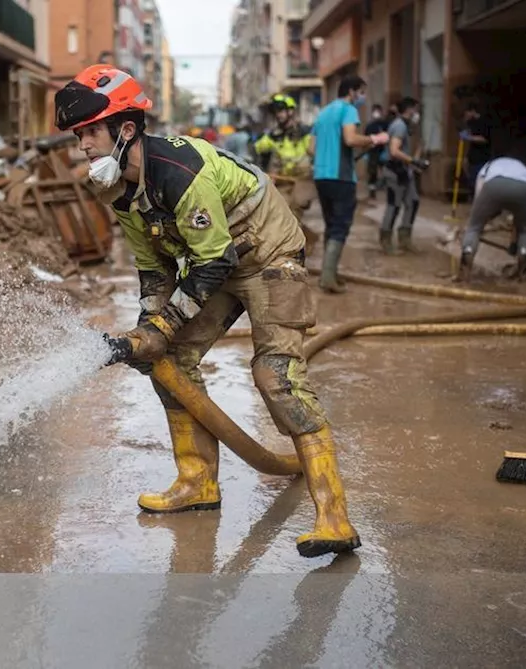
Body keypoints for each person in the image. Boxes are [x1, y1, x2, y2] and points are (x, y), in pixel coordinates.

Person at [55, 64, 361, 558]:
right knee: (167, 362)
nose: (83, 144)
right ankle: (197, 482)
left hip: (267, 253)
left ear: (125, 129)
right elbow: (153, 269)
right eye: (79, 134)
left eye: (90, 131)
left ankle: (334, 516)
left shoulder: (179, 172)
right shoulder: (116, 187)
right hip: (215, 258)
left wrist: (164, 323)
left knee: (275, 374)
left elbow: (215, 260)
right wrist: (149, 328)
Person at [310, 75, 390, 292]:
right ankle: (327, 277)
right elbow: (350, 139)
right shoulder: (348, 110)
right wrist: (374, 139)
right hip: (341, 177)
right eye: (361, 92)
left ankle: (330, 274)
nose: (362, 97)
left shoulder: (324, 113)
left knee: (331, 224)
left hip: (321, 176)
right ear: (352, 92)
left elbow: (311, 148)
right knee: (340, 226)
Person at [457, 157, 526, 282]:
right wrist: (514, 243)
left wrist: (482, 221)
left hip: (494, 184)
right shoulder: (524, 169)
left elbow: (479, 202)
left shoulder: (486, 168)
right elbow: (519, 218)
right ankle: (524, 266)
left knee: (474, 227)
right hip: (524, 186)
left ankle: (465, 267)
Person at [253, 93, 317, 246]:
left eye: (281, 110)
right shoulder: (274, 136)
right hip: (284, 180)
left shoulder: (305, 132)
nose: (278, 115)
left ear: (290, 111)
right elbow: (258, 147)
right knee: (277, 213)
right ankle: (294, 246)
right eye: (276, 112)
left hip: (303, 180)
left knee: (294, 212)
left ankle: (297, 248)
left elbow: (314, 150)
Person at [379, 97, 430, 255]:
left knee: (413, 202)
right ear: (409, 109)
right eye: (415, 109)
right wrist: (414, 161)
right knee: (393, 206)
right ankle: (386, 241)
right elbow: (394, 151)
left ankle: (405, 239)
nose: (417, 113)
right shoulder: (399, 126)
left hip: (404, 172)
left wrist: (414, 163)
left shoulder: (406, 127)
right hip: (395, 172)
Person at [459, 102, 492, 188]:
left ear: (472, 111)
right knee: (472, 182)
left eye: (467, 113)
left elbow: (484, 139)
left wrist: (469, 137)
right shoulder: (471, 123)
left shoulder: (484, 122)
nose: (466, 115)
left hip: (481, 159)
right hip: (472, 159)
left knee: (479, 183)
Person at [362, 104, 391, 200]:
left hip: (384, 151)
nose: (377, 113)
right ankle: (372, 191)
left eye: (378, 111)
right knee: (372, 172)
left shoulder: (385, 124)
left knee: (387, 171)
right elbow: (365, 138)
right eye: (375, 111)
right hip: (373, 151)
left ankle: (387, 188)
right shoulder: (370, 126)